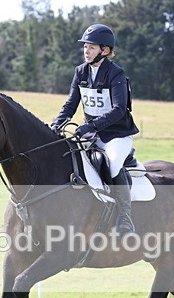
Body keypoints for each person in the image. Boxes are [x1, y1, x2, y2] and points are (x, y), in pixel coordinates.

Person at [51, 23, 139, 235]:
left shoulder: (116, 73)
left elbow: (119, 110)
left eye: (91, 47)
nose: (86, 51)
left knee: (113, 165)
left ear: (105, 51)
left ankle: (125, 217)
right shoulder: (80, 72)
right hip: (91, 134)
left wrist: (90, 126)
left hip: (117, 135)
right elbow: (71, 104)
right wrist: (57, 124)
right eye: (85, 47)